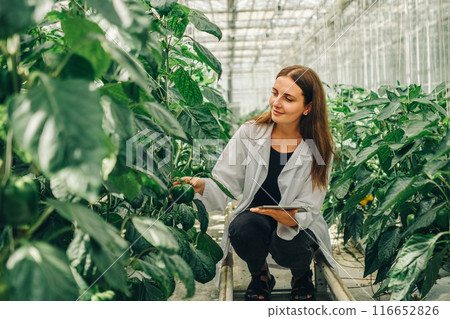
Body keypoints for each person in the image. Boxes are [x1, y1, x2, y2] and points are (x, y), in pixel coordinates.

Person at [175, 65, 337, 301]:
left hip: (300, 222)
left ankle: (301, 275)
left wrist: (290, 217)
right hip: (256, 217)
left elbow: (310, 203)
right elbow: (225, 183)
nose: (276, 102)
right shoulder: (250, 133)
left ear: (308, 107)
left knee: (291, 246)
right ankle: (260, 275)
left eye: (288, 98)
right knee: (243, 229)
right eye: (275, 93)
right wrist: (200, 185)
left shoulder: (319, 146)